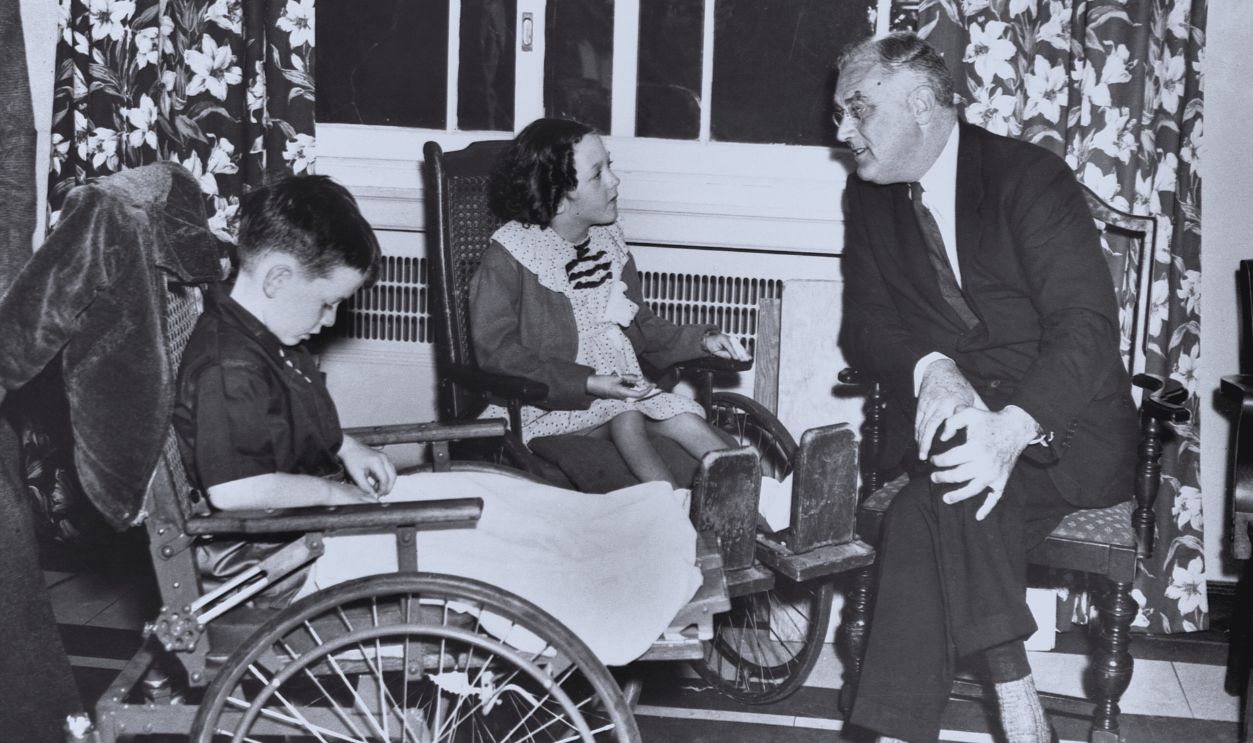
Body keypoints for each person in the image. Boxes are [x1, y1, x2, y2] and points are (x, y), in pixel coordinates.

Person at [173, 174, 703, 666]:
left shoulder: (265, 336)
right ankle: (604, 603)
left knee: (489, 500)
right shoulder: (229, 365)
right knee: (469, 535)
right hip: (282, 563)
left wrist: (346, 448)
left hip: (308, 529)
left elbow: (288, 421)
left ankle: (622, 556)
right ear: (277, 279)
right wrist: (334, 496)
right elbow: (237, 491)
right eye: (328, 302)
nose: (330, 320)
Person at [835, 33, 1138, 743]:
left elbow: (1085, 327)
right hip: (957, 425)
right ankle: (1016, 705)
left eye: (856, 110)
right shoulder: (871, 198)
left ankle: (926, 719)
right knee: (942, 496)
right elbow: (867, 325)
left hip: (1062, 430)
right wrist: (930, 366)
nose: (841, 132)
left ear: (918, 103)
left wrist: (1011, 426)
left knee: (928, 507)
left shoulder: (1026, 178)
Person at [471, 117, 749, 488]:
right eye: (597, 174)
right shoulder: (512, 255)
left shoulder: (608, 242)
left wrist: (701, 340)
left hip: (620, 393)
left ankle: (751, 495)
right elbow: (498, 353)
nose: (614, 181)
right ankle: (668, 505)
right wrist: (590, 382)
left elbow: (642, 326)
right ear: (557, 194)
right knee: (627, 415)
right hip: (547, 405)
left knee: (683, 418)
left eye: (609, 166)